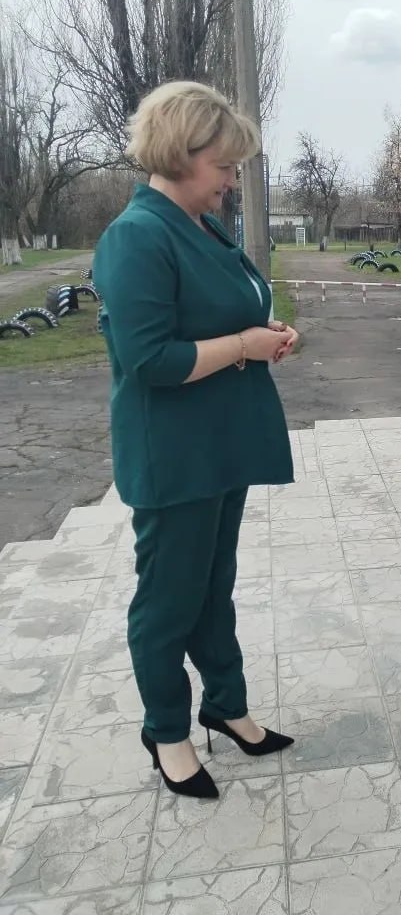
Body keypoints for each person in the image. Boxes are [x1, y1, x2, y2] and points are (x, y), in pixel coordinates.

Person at [93, 81, 297, 798]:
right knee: (168, 602)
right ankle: (167, 732)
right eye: (224, 165)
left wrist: (264, 335)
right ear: (181, 153)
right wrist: (243, 344)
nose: (232, 180)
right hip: (174, 455)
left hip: (221, 444)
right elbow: (149, 359)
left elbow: (220, 314)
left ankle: (226, 706)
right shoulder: (137, 236)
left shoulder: (202, 226)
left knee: (214, 588)